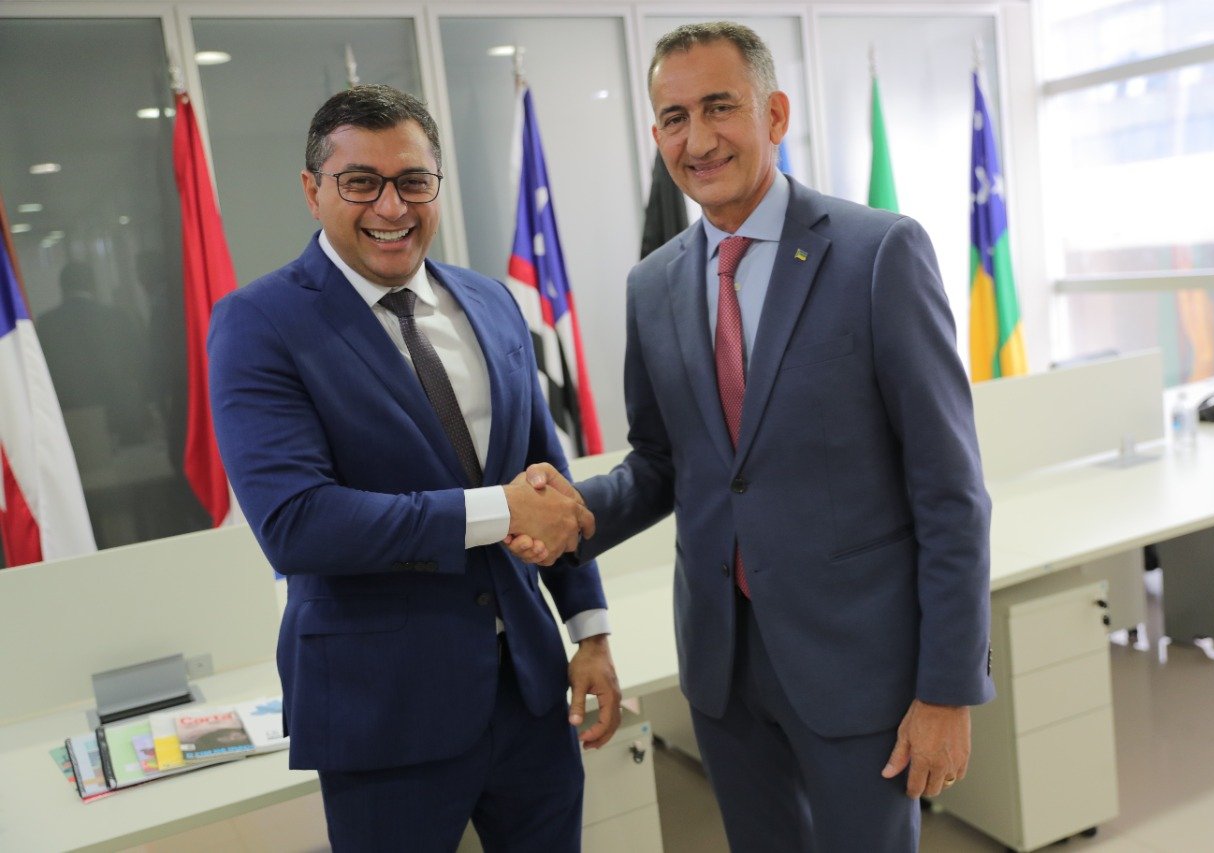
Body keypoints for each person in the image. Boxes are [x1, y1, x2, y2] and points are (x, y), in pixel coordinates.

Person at [515, 22, 993, 851]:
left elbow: (950, 490)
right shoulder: (653, 283)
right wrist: (579, 514)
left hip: (858, 664)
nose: (697, 139)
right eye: (674, 118)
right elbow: (664, 462)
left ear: (774, 114)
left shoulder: (879, 253)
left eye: (719, 107)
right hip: (723, 667)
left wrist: (948, 688)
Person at [207, 84, 620, 852]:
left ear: (436, 184)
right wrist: (498, 511)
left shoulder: (493, 302)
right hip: (381, 711)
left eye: (412, 181)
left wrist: (589, 630)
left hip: (530, 691)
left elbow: (546, 481)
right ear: (312, 190)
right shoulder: (258, 324)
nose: (391, 206)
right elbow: (298, 524)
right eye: (361, 182)